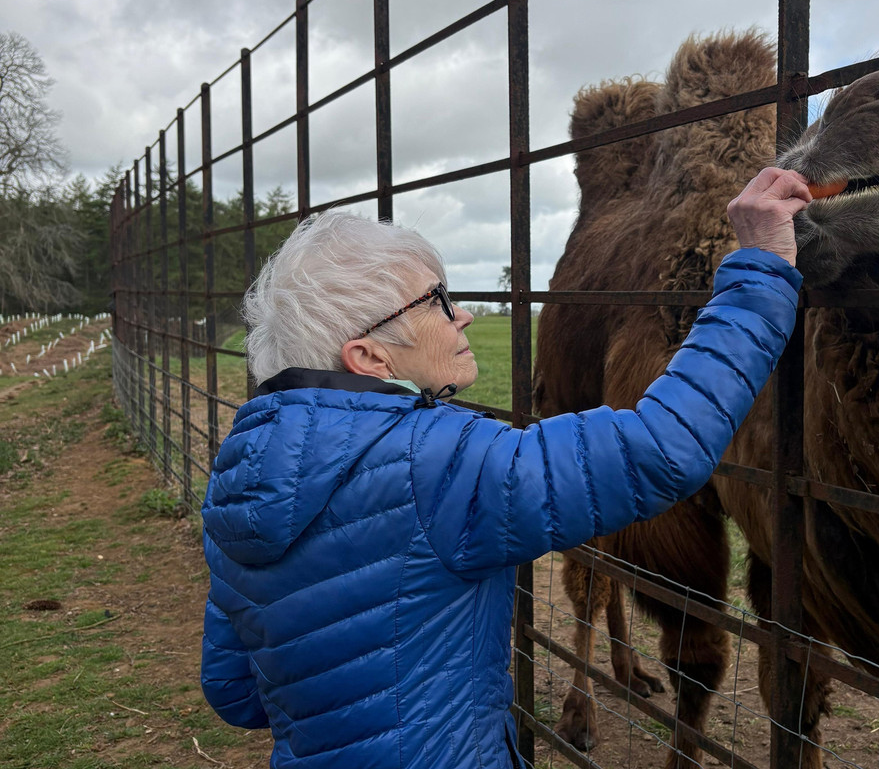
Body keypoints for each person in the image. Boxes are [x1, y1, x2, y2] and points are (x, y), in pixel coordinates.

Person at [200, 167, 812, 769]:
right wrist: (760, 270)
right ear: (369, 356)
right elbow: (658, 447)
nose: (462, 314)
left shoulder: (238, 475)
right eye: (437, 302)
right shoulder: (440, 462)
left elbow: (233, 690)